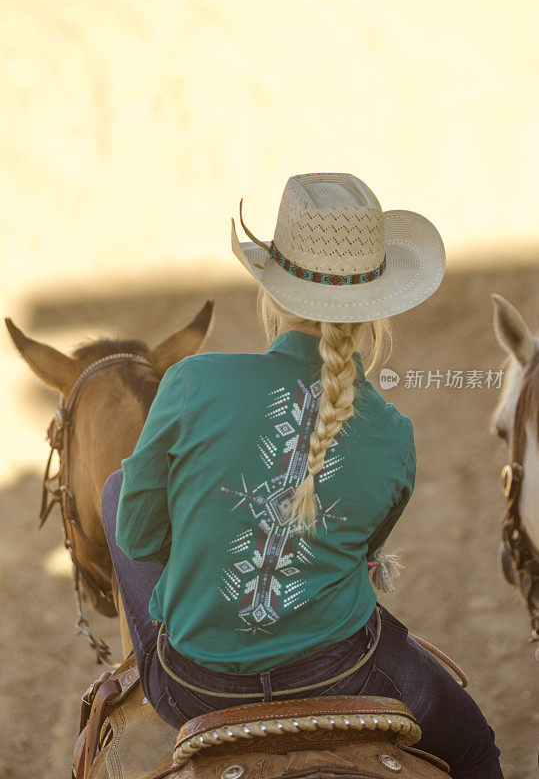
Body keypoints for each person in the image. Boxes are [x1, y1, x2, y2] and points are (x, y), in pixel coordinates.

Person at [102, 173, 503, 778]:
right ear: (377, 311)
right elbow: (366, 553)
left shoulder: (191, 381)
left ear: (272, 294)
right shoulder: (393, 433)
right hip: (341, 672)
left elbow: (139, 540)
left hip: (195, 687)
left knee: (117, 492)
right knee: (475, 748)